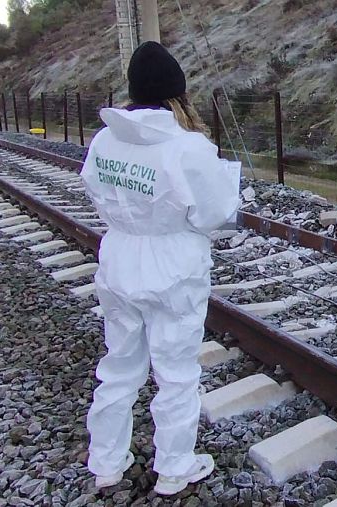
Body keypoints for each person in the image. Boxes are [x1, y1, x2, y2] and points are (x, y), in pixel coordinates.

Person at [80, 41, 240, 496]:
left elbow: (95, 191)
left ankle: (107, 462)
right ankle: (174, 467)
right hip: (173, 266)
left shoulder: (105, 139)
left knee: (118, 365)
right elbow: (215, 214)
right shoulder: (188, 147)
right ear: (177, 95)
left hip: (119, 259)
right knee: (176, 371)